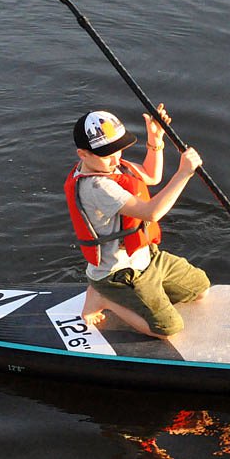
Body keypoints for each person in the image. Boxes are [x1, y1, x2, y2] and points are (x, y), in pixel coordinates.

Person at [65, 105, 210, 338]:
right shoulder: (97, 187)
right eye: (107, 154)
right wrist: (183, 174)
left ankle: (142, 295)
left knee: (200, 288)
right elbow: (151, 212)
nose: (116, 159)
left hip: (147, 257)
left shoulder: (112, 165)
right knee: (168, 329)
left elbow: (152, 176)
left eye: (118, 150)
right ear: (83, 155)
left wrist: (155, 138)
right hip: (119, 272)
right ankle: (103, 296)